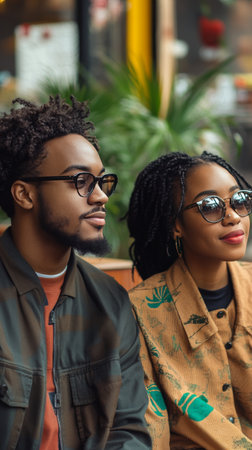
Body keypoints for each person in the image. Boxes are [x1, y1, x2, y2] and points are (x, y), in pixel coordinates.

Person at [0, 95, 152, 450]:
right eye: (80, 181)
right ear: (24, 194)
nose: (100, 196)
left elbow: (128, 430)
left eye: (102, 181)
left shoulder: (110, 301)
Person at [127, 150, 252, 450]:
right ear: (175, 224)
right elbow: (147, 425)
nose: (233, 216)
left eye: (239, 200)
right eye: (210, 206)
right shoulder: (139, 311)